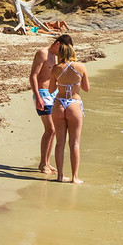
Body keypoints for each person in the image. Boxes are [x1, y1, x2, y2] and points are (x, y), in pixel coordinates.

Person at [46, 35, 89, 184]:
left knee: (60, 142)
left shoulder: (56, 68)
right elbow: (86, 88)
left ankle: (60, 176)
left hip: (59, 104)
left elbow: (51, 90)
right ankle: (74, 177)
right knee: (74, 143)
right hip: (74, 104)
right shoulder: (81, 67)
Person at [29, 20, 67, 173]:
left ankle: (46, 162)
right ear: (57, 44)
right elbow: (33, 76)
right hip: (42, 93)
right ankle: (42, 163)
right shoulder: (42, 53)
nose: (62, 53)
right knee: (50, 129)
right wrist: (37, 96)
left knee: (54, 130)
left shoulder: (58, 57)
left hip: (54, 94)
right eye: (62, 49)